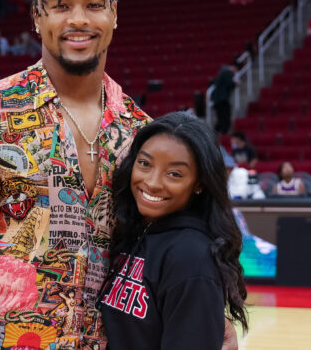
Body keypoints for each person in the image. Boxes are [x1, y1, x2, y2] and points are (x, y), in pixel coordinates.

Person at [0, 0, 242, 349]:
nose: (78, 19)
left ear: (114, 13)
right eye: (61, 5)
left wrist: (206, 308)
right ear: (37, 15)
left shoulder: (140, 133)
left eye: (94, 5)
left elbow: (171, 245)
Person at [99, 112, 247, 349]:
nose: (153, 182)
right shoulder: (134, 232)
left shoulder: (192, 258)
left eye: (174, 174)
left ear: (199, 183)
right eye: (145, 164)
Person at [211, 61, 241, 134]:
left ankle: (216, 133)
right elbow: (229, 84)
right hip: (222, 99)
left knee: (221, 118)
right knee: (225, 118)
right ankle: (222, 133)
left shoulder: (222, 72)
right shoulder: (227, 72)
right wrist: (236, 83)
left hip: (218, 100)